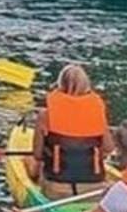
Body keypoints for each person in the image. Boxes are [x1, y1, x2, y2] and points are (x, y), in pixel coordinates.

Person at [27, 63, 112, 200]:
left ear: (60, 83)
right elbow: (109, 148)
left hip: (57, 189)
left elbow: (37, 154)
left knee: (29, 161)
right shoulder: (96, 111)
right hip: (93, 189)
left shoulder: (45, 115)